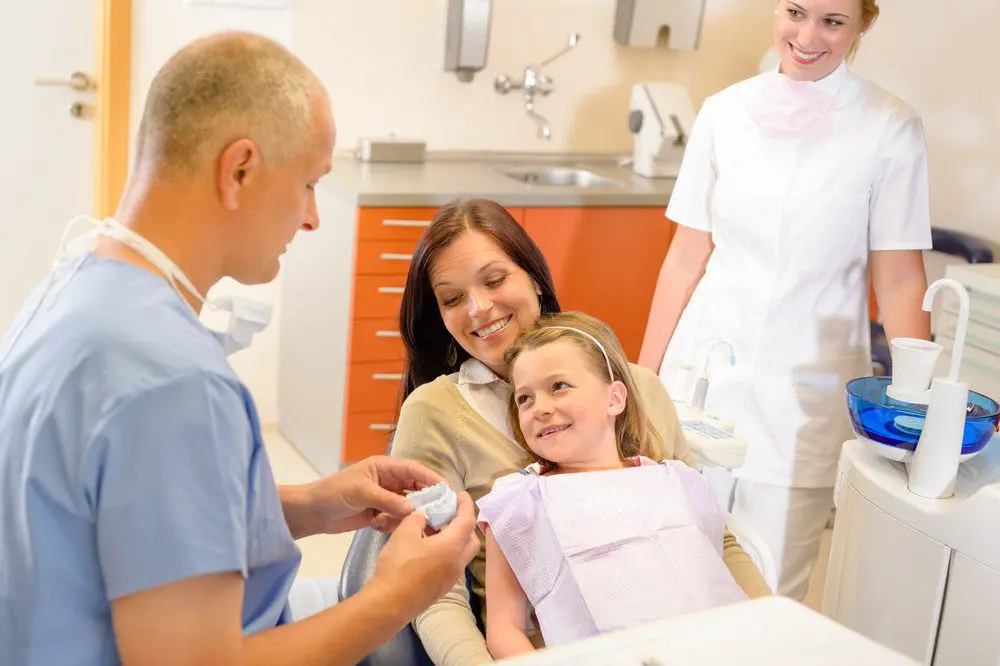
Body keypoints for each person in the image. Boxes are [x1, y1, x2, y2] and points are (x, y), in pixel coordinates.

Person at [0, 32, 479, 666]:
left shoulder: (74, 286)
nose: (312, 218)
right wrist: (398, 594)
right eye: (309, 183)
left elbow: (119, 517)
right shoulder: (173, 382)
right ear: (241, 170)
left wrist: (307, 505)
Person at [389, 198, 771, 665]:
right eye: (451, 298)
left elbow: (714, 542)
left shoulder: (640, 388)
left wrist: (771, 630)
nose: (479, 308)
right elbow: (434, 590)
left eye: (495, 280)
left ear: (532, 273)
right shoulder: (437, 413)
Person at [638, 0, 932, 601]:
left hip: (805, 402)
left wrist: (916, 410)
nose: (806, 36)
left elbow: (900, 279)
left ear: (863, 25)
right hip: (700, 378)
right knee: (666, 579)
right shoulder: (723, 113)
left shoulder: (889, 126)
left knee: (769, 593)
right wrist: (640, 381)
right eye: (795, 12)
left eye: (833, 21)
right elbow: (684, 258)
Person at [478, 312, 749, 660]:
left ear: (615, 398)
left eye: (559, 386)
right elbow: (504, 630)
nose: (539, 409)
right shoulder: (518, 504)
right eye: (524, 399)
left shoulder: (680, 482)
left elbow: (710, 578)